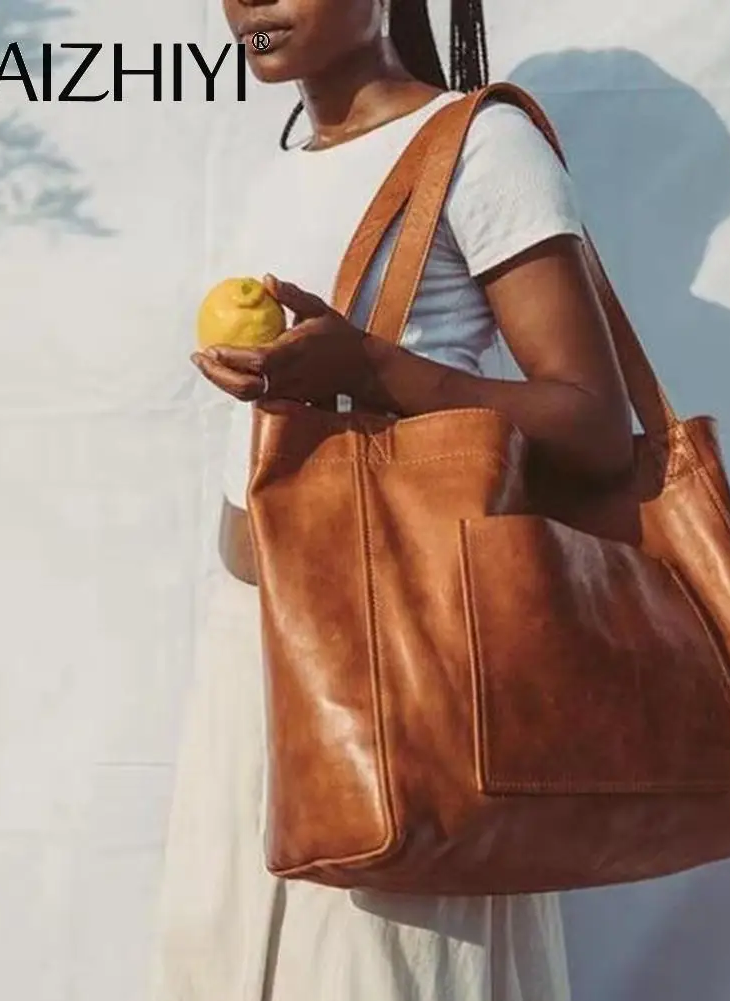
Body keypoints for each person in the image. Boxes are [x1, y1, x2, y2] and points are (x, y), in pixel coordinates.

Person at [149, 1, 633, 999]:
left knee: (383, 963)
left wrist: (369, 367)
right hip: (251, 640)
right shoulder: (285, 168)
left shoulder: (480, 143)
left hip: (396, 645)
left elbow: (592, 422)